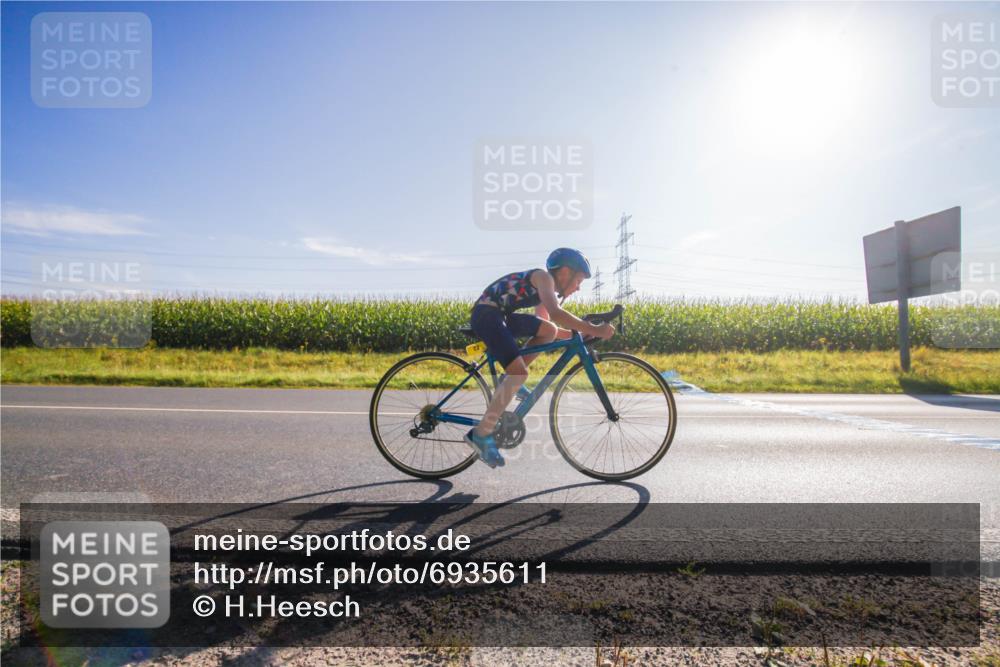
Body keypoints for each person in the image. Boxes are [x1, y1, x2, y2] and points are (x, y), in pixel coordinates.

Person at [464, 248, 615, 468]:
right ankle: (480, 434)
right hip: (487, 315)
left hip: (501, 315)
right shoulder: (543, 278)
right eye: (579, 280)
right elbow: (556, 314)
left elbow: (550, 326)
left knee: (548, 331)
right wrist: (594, 328)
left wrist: (582, 334)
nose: (579, 287)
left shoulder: (547, 290)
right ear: (565, 272)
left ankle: (511, 382)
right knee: (519, 373)